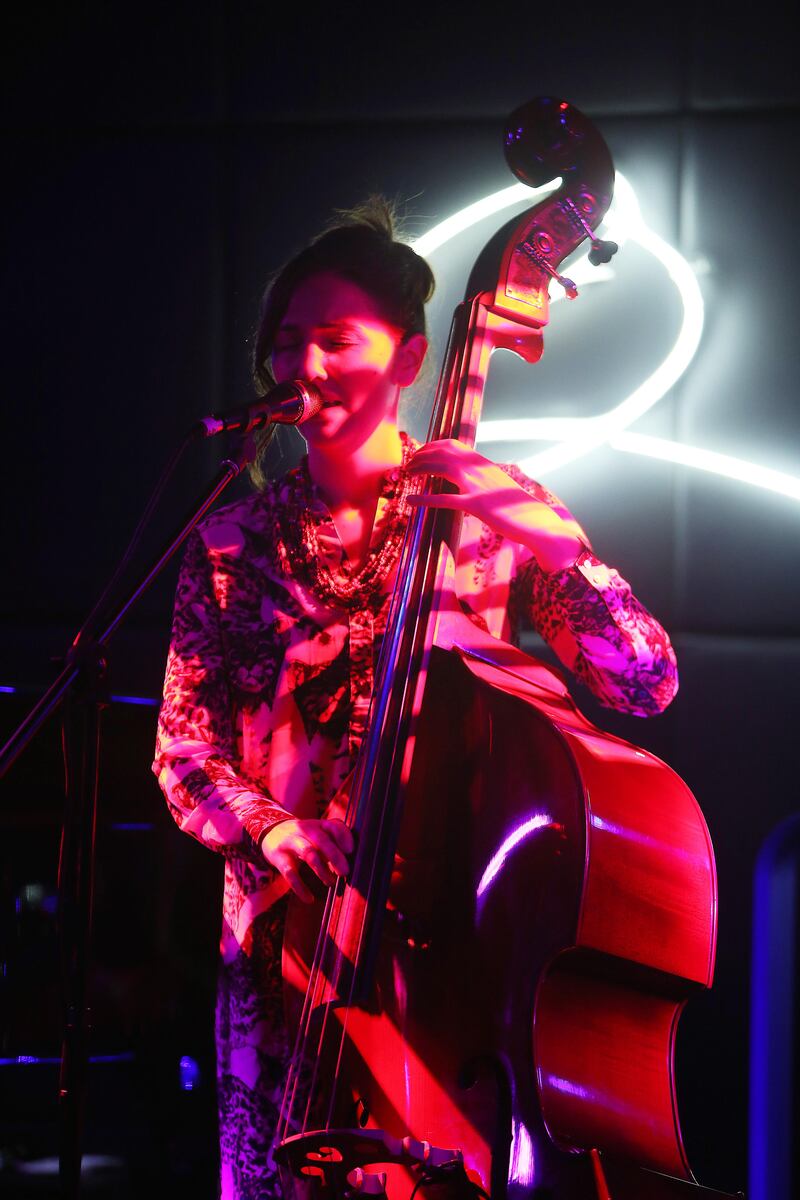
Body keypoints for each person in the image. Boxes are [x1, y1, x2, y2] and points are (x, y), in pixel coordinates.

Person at [153, 197, 678, 1200]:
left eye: (336, 341)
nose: (305, 367)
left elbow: (643, 683)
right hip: (279, 964)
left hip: (451, 968)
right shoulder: (225, 546)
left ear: (405, 359)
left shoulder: (486, 517)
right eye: (289, 342)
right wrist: (270, 831)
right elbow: (183, 754)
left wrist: (553, 544)